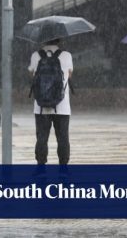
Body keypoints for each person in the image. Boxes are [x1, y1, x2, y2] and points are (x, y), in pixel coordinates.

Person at [28, 39, 73, 167]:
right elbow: (69, 75)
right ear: (59, 39)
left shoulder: (36, 55)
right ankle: (63, 167)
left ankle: (41, 166)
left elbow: (32, 75)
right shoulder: (66, 55)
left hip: (41, 106)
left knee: (42, 138)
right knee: (63, 137)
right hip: (62, 106)